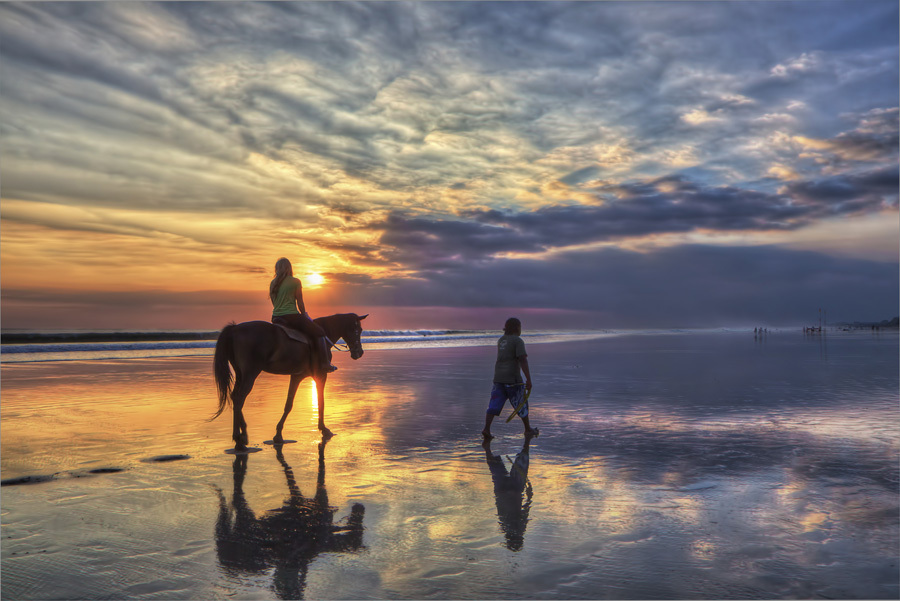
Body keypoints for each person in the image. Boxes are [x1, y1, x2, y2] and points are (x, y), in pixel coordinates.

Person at [269, 257, 336, 375]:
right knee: (319, 332)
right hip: (291, 316)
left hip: (276, 317)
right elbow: (300, 302)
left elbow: (275, 303)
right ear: (289, 268)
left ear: (277, 269)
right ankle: (325, 363)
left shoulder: (273, 283)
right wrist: (304, 315)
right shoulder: (295, 282)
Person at [482, 317, 538, 440]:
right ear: (517, 328)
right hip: (513, 380)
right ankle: (528, 429)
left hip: (498, 378)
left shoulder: (501, 340)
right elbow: (522, 359)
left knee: (494, 404)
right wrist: (528, 379)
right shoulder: (517, 341)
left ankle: (486, 429)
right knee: (521, 403)